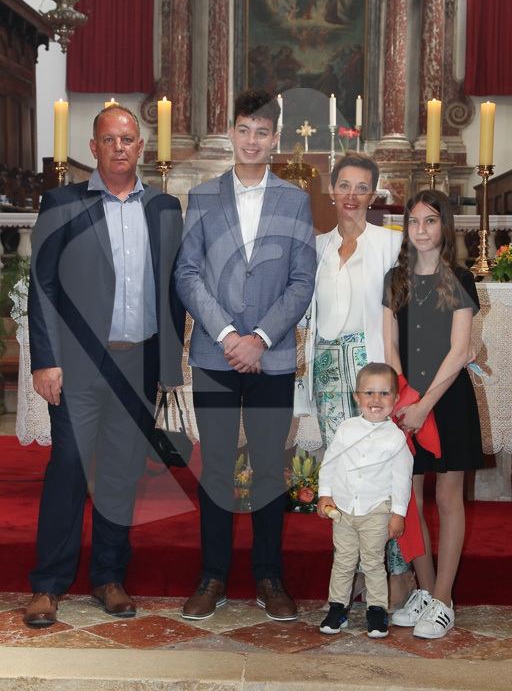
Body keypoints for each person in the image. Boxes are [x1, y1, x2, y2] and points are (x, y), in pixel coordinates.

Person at [24, 105, 185, 627]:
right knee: (68, 468)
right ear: (93, 147)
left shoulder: (164, 207)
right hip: (77, 366)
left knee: (121, 473)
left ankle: (109, 578)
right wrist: (45, 361)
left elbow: (174, 288)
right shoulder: (63, 202)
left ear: (142, 147)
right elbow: (43, 286)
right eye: (109, 139)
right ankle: (48, 584)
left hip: (138, 363)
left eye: (128, 139)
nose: (119, 147)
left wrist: (168, 365)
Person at [175, 88, 316, 621]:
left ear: (275, 138)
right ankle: (212, 576)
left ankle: (269, 575)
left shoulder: (295, 200)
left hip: (271, 358)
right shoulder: (203, 196)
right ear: (230, 133)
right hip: (214, 354)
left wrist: (260, 338)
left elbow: (302, 280)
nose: (252, 140)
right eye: (243, 129)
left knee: (269, 469)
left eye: (262, 132)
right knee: (215, 466)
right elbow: (188, 272)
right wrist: (228, 333)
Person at [306, 151, 413, 609]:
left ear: (373, 194)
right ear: (332, 191)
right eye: (344, 186)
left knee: (380, 470)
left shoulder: (390, 243)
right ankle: (351, 569)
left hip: (373, 370)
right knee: (346, 470)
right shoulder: (316, 247)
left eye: (361, 187)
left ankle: (394, 572)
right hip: (329, 371)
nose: (351, 195)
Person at [383, 189, 484, 639]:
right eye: (414, 221)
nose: (421, 230)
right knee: (409, 497)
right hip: (406, 402)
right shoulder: (395, 279)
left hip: (448, 402)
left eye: (430, 220)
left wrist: (425, 405)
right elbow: (390, 344)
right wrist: (404, 397)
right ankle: (424, 591)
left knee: (448, 497)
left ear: (445, 226)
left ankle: (443, 600)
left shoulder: (458, 277)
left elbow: (460, 350)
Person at [317, 363, 413, 638]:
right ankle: (337, 609)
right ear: (357, 397)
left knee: (373, 563)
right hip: (344, 510)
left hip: (376, 510)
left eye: (384, 393)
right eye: (369, 393)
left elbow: (402, 479)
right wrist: (325, 494)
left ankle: (377, 611)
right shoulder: (346, 429)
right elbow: (330, 463)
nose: (376, 400)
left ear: (395, 398)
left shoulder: (396, 439)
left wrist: (398, 514)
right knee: (343, 561)